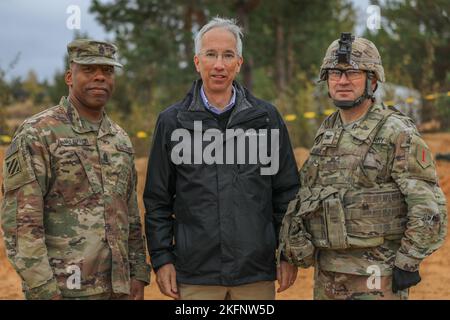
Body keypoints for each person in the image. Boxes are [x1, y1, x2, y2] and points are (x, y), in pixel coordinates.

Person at [278, 33, 447, 300]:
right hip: (328, 274)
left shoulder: (396, 132)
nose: (342, 81)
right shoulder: (328, 129)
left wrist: (408, 260)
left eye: (352, 73)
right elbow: (309, 195)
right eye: (335, 73)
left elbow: (428, 205)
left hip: (376, 274)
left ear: (373, 80)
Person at [144, 17, 299, 300]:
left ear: (239, 62)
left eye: (228, 55)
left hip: (255, 275)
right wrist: (162, 258)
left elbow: (287, 193)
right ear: (196, 61)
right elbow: (157, 200)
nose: (219, 64)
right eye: (211, 54)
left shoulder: (266, 119)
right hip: (195, 276)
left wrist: (288, 253)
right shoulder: (172, 122)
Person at [0, 39, 150, 300]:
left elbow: (131, 215)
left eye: (108, 71)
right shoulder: (39, 134)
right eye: (90, 70)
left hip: (118, 288)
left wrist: (137, 273)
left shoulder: (120, 140)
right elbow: (21, 225)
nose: (100, 78)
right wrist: (44, 291)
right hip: (64, 290)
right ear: (70, 77)